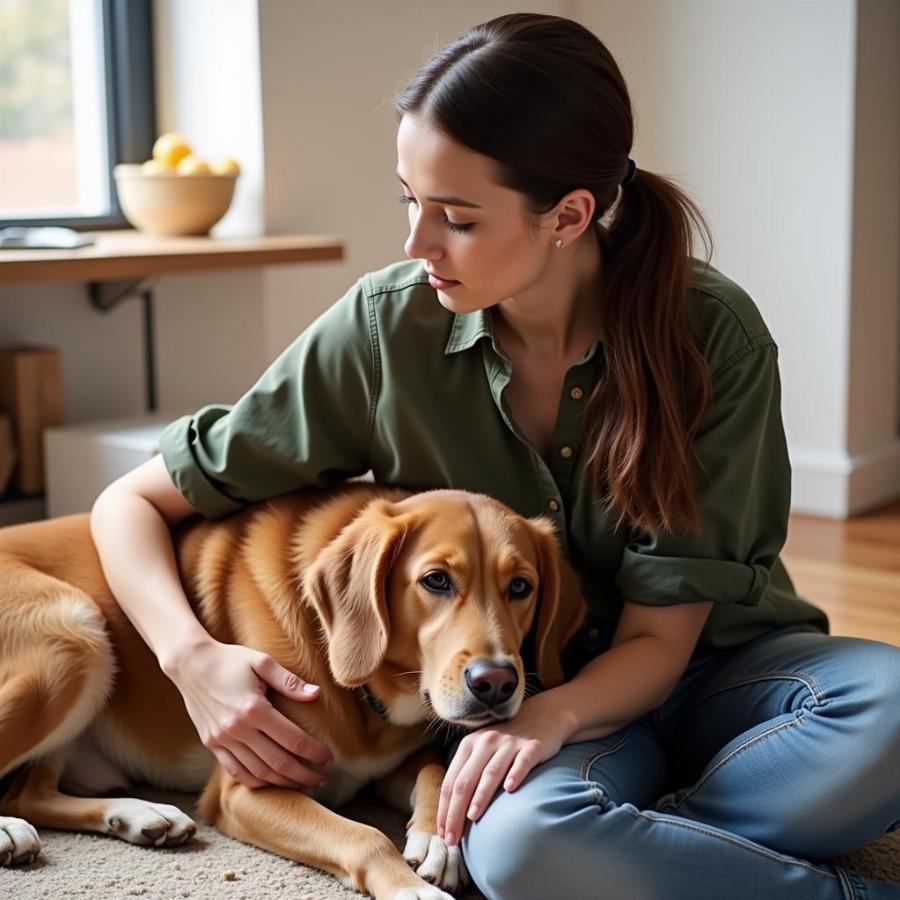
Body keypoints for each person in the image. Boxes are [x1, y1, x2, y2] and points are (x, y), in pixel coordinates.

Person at [90, 12, 900, 900]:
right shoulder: (384, 328)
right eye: (411, 200)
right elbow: (128, 505)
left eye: (457, 218)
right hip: (512, 691)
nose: (416, 243)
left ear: (569, 215)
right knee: (524, 848)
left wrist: (550, 719)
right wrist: (187, 657)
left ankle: (637, 841)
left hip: (708, 670)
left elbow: (661, 643)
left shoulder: (711, 336)